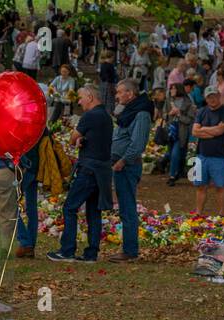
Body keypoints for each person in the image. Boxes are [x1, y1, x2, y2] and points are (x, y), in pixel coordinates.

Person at [48, 85, 113, 262]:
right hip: (102, 171)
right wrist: (84, 140)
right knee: (93, 212)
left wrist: (78, 139)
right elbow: (97, 140)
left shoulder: (90, 115)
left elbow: (72, 138)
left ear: (90, 97)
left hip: (89, 169)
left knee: (70, 207)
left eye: (81, 97)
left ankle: (67, 250)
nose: (79, 101)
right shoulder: (106, 117)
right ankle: (91, 253)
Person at [108, 79, 151, 262]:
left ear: (130, 94)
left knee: (127, 207)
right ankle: (128, 248)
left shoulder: (141, 114)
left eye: (119, 92)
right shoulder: (130, 111)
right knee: (124, 206)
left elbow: (138, 143)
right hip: (121, 163)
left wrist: (123, 161)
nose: (117, 96)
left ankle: (130, 250)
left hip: (127, 165)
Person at [192, 85, 224, 214]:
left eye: (214, 96)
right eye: (209, 97)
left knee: (220, 187)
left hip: (219, 156)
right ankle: (198, 213)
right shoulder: (201, 111)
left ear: (219, 96)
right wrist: (212, 132)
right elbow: (194, 132)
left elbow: (221, 130)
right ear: (206, 98)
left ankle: (222, 214)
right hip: (201, 155)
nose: (212, 99)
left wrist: (203, 129)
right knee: (200, 186)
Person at [166, 81, 195, 185]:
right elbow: (165, 115)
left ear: (179, 90)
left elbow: (189, 120)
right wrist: (169, 114)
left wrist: (178, 114)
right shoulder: (169, 100)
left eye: (173, 88)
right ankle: (179, 171)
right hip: (170, 130)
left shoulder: (188, 103)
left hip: (181, 131)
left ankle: (172, 176)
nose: (171, 90)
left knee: (175, 154)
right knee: (172, 153)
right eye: (171, 88)